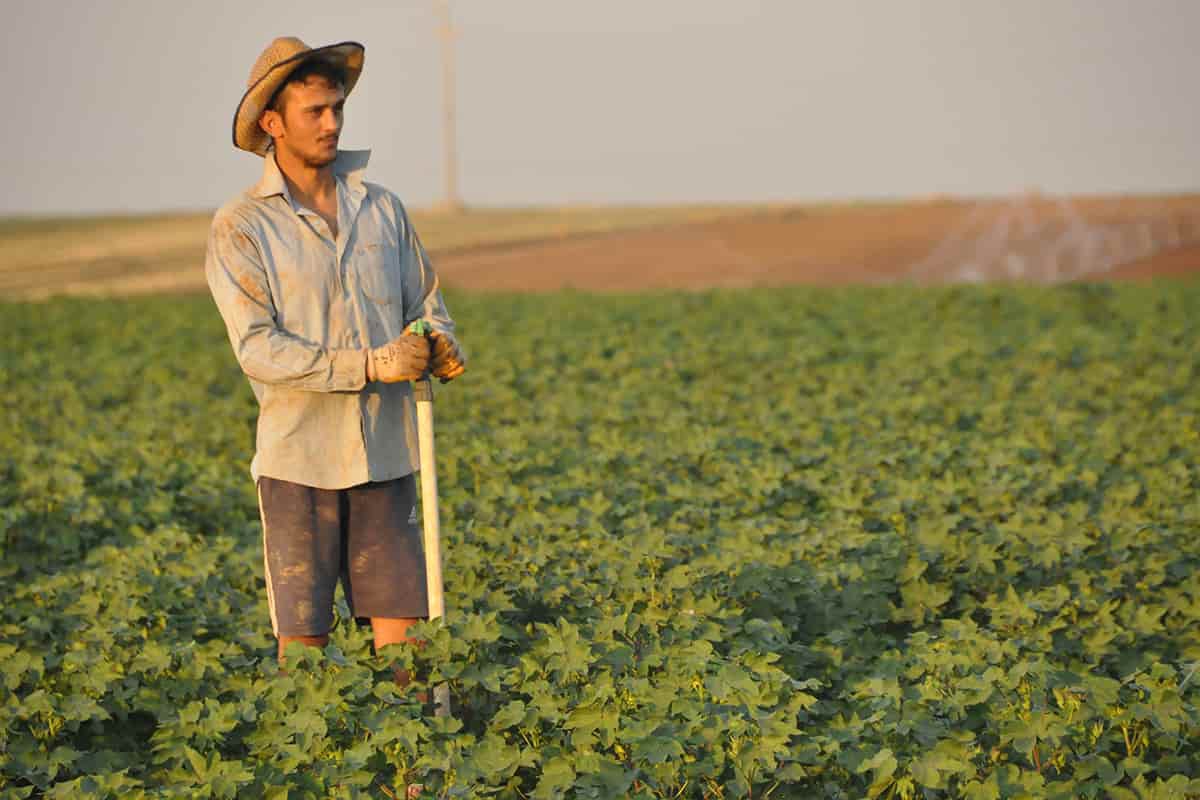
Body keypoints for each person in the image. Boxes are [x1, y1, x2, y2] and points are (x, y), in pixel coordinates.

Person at [205, 37, 465, 678]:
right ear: (273, 123)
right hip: (299, 463)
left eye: (337, 109)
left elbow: (426, 301)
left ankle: (410, 776)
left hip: (387, 456)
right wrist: (369, 366)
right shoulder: (242, 225)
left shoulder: (382, 210)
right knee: (304, 656)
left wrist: (437, 340)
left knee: (408, 654)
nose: (331, 123)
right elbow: (258, 349)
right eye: (315, 111)